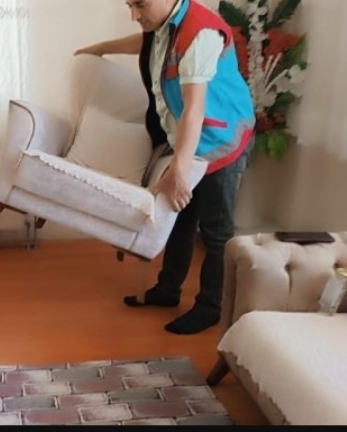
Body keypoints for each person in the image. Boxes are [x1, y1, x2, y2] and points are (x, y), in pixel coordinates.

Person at [75, 0, 255, 334]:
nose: (134, 14)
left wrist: (178, 171)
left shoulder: (200, 32)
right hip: (193, 140)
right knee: (181, 216)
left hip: (222, 140)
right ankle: (168, 289)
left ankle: (210, 308)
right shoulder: (164, 23)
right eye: (130, 5)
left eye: (139, 5)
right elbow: (144, 43)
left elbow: (194, 110)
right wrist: (100, 49)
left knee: (216, 232)